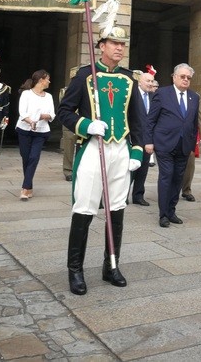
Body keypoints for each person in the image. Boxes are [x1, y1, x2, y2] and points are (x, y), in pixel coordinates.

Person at [58, 26, 144, 295]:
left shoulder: (130, 79)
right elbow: (64, 111)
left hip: (120, 150)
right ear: (101, 45)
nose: (119, 48)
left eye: (122, 44)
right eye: (114, 43)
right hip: (93, 149)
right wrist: (85, 125)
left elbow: (138, 119)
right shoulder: (84, 75)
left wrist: (137, 151)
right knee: (84, 209)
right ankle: (75, 270)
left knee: (116, 210)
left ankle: (111, 265)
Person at [145, 63, 199, 228]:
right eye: (182, 76)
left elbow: (194, 122)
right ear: (174, 77)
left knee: (178, 179)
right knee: (166, 176)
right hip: (165, 144)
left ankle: (171, 210)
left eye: (188, 78)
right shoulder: (162, 93)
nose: (185, 80)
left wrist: (193, 144)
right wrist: (148, 141)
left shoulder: (194, 97)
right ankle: (163, 214)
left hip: (184, 146)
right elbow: (151, 120)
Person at [15, 70, 55, 200]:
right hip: (24, 129)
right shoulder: (26, 94)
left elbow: (52, 114)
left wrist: (44, 116)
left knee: (34, 157)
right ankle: (30, 186)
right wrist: (30, 121)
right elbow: (22, 112)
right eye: (47, 79)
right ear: (41, 80)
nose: (49, 81)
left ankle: (25, 188)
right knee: (26, 158)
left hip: (41, 131)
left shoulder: (48, 96)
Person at [130, 66, 157, 206]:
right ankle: (122, 196)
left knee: (143, 168)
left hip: (147, 140)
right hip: (132, 139)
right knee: (129, 169)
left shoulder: (154, 97)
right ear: (140, 82)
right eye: (148, 81)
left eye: (152, 81)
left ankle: (138, 195)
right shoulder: (132, 94)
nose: (150, 84)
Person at [180, 107, 201, 202]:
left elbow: (200, 118)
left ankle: (186, 190)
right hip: (171, 135)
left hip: (190, 136)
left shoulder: (194, 97)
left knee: (189, 165)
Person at [60, 66, 80, 182]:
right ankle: (68, 170)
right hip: (69, 123)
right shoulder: (65, 90)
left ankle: (78, 168)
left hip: (82, 121)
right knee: (68, 149)